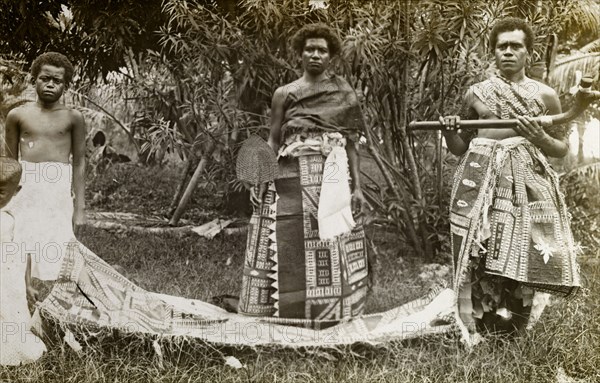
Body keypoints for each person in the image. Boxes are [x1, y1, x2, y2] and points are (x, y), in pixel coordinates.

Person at [441, 18, 580, 341]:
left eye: (515, 46)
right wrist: (450, 132)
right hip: (479, 178)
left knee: (524, 245)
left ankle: (516, 324)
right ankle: (482, 323)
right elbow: (460, 147)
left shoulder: (545, 96)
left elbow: (560, 148)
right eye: (501, 46)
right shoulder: (476, 93)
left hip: (526, 180)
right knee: (482, 247)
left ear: (528, 53)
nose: (508, 52)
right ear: (493, 52)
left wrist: (539, 138)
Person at [237, 23, 370, 325]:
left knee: (330, 240)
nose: (315, 54)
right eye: (309, 48)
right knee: (285, 238)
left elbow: (351, 143)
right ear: (300, 52)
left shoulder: (343, 91)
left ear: (331, 56)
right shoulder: (284, 93)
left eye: (321, 50)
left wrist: (357, 187)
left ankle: (332, 313)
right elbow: (273, 139)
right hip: (289, 173)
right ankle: (284, 313)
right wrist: (261, 176)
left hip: (331, 176)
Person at [3, 52, 86, 301]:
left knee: (59, 238)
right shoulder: (17, 115)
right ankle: (24, 294)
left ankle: (61, 299)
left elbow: (80, 162)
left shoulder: (73, 118)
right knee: (22, 237)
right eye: (44, 78)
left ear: (65, 85)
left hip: (57, 187)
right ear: (33, 80)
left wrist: (79, 207)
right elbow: (8, 162)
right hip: (26, 185)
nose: (50, 84)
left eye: (57, 81)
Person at [0, 156, 47, 365]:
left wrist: (28, 284)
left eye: (1, 193)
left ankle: (12, 348)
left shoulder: (12, 218)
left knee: (10, 313)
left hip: (7, 279)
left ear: (15, 191)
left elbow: (25, 251)